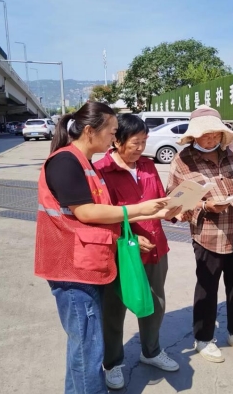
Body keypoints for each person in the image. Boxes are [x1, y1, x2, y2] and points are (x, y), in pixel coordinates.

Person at [34, 102, 174, 394]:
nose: (113, 138)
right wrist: (138, 210)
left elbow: (101, 214)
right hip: (72, 269)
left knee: (87, 346)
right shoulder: (66, 162)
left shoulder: (84, 164)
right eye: (111, 132)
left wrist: (147, 215)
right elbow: (86, 213)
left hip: (88, 263)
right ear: (89, 131)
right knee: (87, 350)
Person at [95, 114, 181, 390]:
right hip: (122, 251)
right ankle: (113, 362)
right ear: (117, 140)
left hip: (156, 247)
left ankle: (151, 351)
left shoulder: (147, 165)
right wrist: (125, 235)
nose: (141, 148)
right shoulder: (101, 171)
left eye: (144, 142)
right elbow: (99, 215)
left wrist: (177, 210)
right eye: (135, 142)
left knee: (155, 304)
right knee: (114, 309)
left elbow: (158, 203)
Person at [167, 105, 233, 363]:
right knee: (207, 289)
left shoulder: (231, 152)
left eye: (215, 134)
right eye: (205, 135)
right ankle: (204, 338)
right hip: (208, 236)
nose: (211, 139)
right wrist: (206, 206)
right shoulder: (183, 161)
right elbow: (174, 206)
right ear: (194, 135)